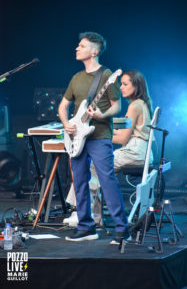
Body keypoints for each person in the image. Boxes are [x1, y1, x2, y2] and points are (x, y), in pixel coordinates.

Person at [58, 31, 129, 243]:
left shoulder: (107, 75)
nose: (76, 48)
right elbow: (63, 106)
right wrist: (66, 125)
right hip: (77, 138)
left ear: (94, 51)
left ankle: (122, 229)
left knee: (107, 180)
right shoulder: (76, 78)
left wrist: (102, 114)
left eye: (82, 46)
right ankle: (86, 227)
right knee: (79, 181)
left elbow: (117, 106)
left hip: (99, 136)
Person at [64, 70, 154, 225]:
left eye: (125, 84)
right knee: (97, 168)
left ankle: (81, 212)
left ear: (137, 86)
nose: (121, 88)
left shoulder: (135, 106)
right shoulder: (141, 104)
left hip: (134, 152)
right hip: (140, 151)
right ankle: (93, 216)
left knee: (94, 167)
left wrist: (97, 134)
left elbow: (123, 138)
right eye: (121, 84)